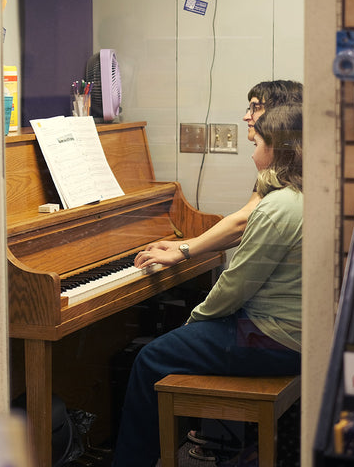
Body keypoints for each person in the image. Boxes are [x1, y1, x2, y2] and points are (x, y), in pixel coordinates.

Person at [112, 103, 303, 467]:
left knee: (151, 357)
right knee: (182, 338)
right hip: (297, 333)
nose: (252, 154)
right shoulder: (307, 196)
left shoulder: (277, 207)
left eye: (256, 144)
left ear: (276, 151)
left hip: (274, 337)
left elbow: (236, 285)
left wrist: (195, 321)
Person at [135, 80, 303, 269]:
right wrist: (183, 245)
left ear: (279, 111)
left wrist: (181, 251)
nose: (246, 116)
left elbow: (244, 221)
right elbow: (245, 225)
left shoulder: (285, 164)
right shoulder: (278, 161)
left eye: (254, 107)